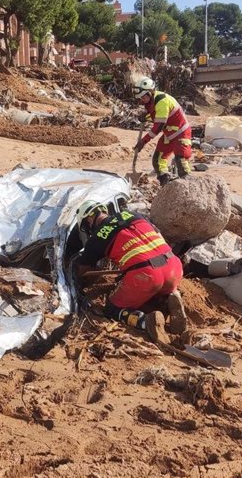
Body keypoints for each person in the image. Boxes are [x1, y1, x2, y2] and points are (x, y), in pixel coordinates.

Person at [75, 200, 187, 344]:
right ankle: (168, 299)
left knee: (112, 309)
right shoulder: (134, 215)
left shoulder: (97, 238)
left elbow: (84, 271)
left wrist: (80, 282)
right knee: (151, 291)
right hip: (174, 266)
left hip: (146, 275)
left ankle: (146, 322)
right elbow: (158, 234)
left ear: (89, 219)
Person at [133, 76, 192, 186]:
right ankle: (166, 183)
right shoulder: (151, 102)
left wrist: (144, 141)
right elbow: (157, 116)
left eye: (143, 97)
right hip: (169, 134)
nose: (142, 100)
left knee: (181, 159)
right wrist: (146, 117)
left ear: (150, 92)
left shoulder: (162, 101)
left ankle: (188, 185)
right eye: (140, 98)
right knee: (158, 159)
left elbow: (158, 126)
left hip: (181, 133)